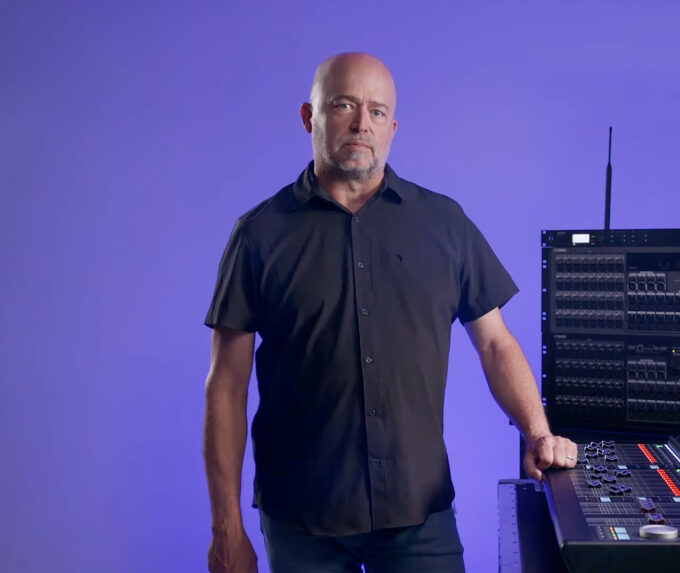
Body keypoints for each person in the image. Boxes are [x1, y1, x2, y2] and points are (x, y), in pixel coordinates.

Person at [202, 52, 577, 573]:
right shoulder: (259, 235)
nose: (362, 123)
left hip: (417, 515)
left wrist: (538, 433)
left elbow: (495, 343)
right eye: (344, 105)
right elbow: (226, 383)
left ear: (393, 127)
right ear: (310, 118)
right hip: (300, 521)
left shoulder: (444, 224)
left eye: (377, 111)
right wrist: (226, 527)